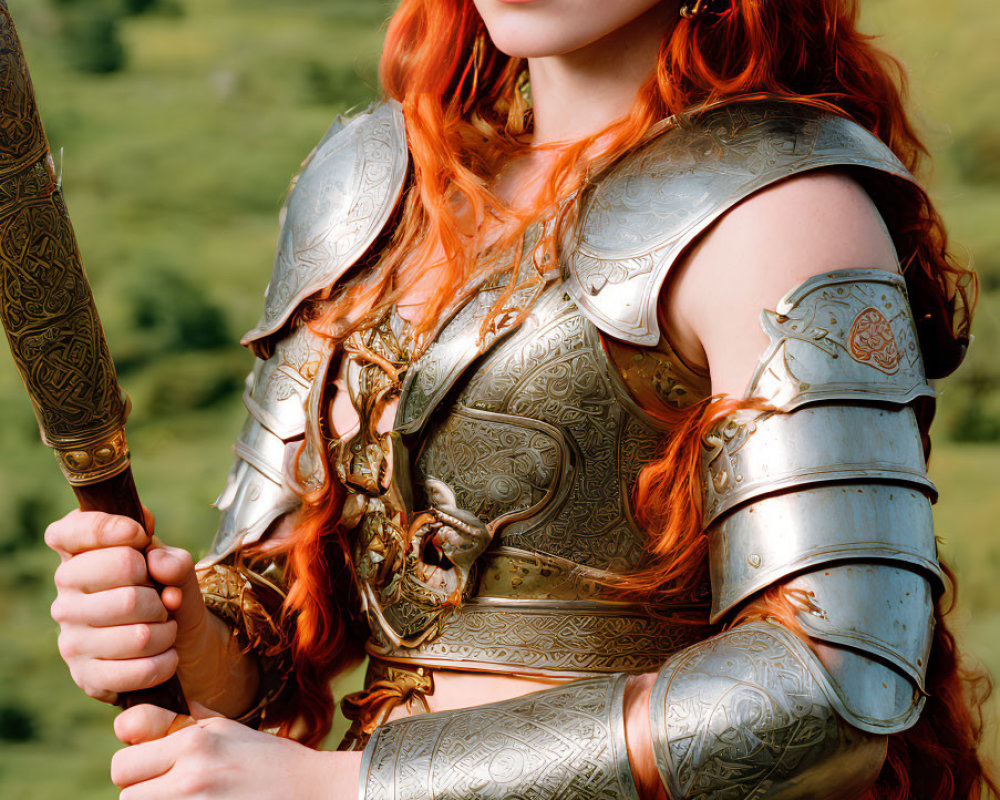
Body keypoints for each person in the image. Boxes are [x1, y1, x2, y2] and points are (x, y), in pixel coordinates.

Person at [43, 0, 996, 798]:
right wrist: (184, 631)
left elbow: (826, 687)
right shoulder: (372, 187)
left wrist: (347, 787)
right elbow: (275, 605)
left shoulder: (782, 210)